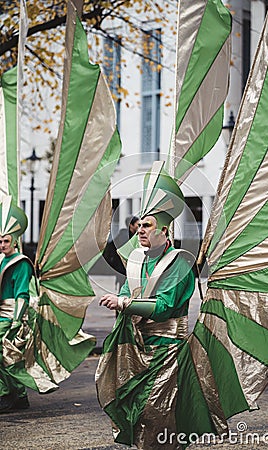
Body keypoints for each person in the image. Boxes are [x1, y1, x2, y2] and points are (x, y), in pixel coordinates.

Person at [95, 162, 195, 449]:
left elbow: (163, 306)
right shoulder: (136, 258)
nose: (140, 229)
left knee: (157, 413)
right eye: (139, 224)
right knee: (138, 412)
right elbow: (128, 291)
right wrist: (121, 302)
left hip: (166, 351)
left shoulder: (179, 262)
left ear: (164, 230)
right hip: (137, 350)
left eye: (147, 225)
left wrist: (124, 303)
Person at [0, 198, 34, 412]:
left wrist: (16, 321)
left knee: (7, 358)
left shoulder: (21, 262)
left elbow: (23, 294)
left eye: (5, 241)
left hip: (11, 316)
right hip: (1, 315)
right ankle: (18, 396)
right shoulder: (2, 261)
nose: (2, 245)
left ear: (14, 241)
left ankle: (8, 395)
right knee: (8, 359)